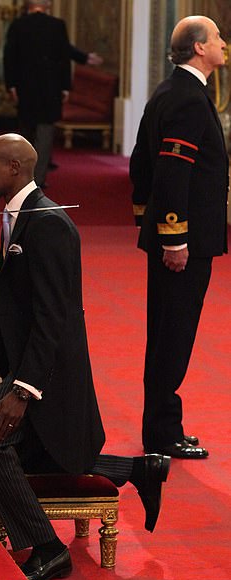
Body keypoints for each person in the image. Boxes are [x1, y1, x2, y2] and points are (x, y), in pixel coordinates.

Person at [0, 133, 170, 580]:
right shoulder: (21, 217)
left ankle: (48, 548)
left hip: (46, 378)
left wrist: (22, 390)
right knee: (39, 453)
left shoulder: (49, 224)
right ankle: (138, 469)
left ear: (16, 169)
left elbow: (53, 317)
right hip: (19, 369)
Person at [130, 16, 228, 459]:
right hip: (184, 243)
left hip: (177, 236)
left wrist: (144, 218)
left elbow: (139, 161)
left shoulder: (171, 90)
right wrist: (173, 237)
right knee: (174, 334)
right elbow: (171, 171)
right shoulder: (187, 98)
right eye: (218, 38)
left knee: (168, 332)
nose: (224, 43)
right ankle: (162, 435)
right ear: (199, 48)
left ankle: (164, 427)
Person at [3, 0, 71, 187]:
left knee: (25, 133)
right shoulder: (57, 26)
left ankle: (23, 177)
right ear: (47, 4)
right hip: (50, 88)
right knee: (45, 134)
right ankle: (38, 179)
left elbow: (9, 57)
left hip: (26, 88)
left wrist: (11, 85)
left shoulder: (18, 25)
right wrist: (66, 86)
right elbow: (64, 58)